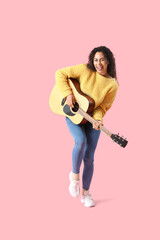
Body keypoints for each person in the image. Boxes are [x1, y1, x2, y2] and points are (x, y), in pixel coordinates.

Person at [55, 46, 118, 207]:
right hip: (74, 114)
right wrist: (69, 94)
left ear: (108, 61)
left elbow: (101, 107)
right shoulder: (84, 69)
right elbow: (60, 73)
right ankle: (74, 177)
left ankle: (86, 193)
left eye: (102, 59)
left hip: (91, 119)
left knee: (89, 157)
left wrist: (97, 120)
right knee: (80, 141)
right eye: (96, 60)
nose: (99, 63)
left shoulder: (112, 85)